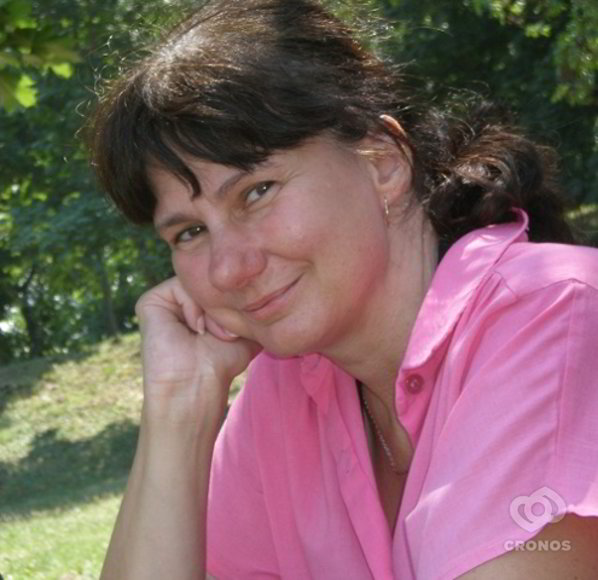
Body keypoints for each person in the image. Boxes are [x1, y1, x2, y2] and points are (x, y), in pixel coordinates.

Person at [87, 0, 598, 578]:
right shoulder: (287, 395)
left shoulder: (556, 312)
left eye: (256, 192)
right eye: (190, 232)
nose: (229, 269)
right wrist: (179, 407)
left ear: (383, 163)